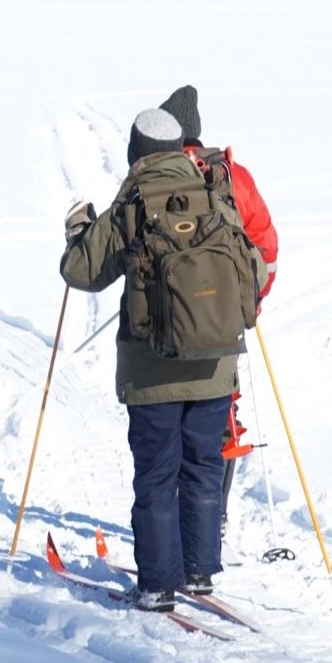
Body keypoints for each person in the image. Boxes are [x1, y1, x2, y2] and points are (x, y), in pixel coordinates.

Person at [60, 108, 236, 612]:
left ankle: (158, 583)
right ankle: (200, 571)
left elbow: (81, 270)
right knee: (202, 466)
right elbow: (249, 268)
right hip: (214, 366)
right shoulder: (214, 195)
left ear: (136, 151)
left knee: (157, 474)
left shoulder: (132, 204)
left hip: (153, 369)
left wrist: (78, 232)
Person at [158, 85, 277, 536]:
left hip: (165, 327)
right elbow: (267, 248)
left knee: (163, 421)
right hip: (224, 324)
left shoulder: (151, 175)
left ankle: (167, 525)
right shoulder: (234, 176)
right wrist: (248, 305)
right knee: (221, 415)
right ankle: (212, 521)